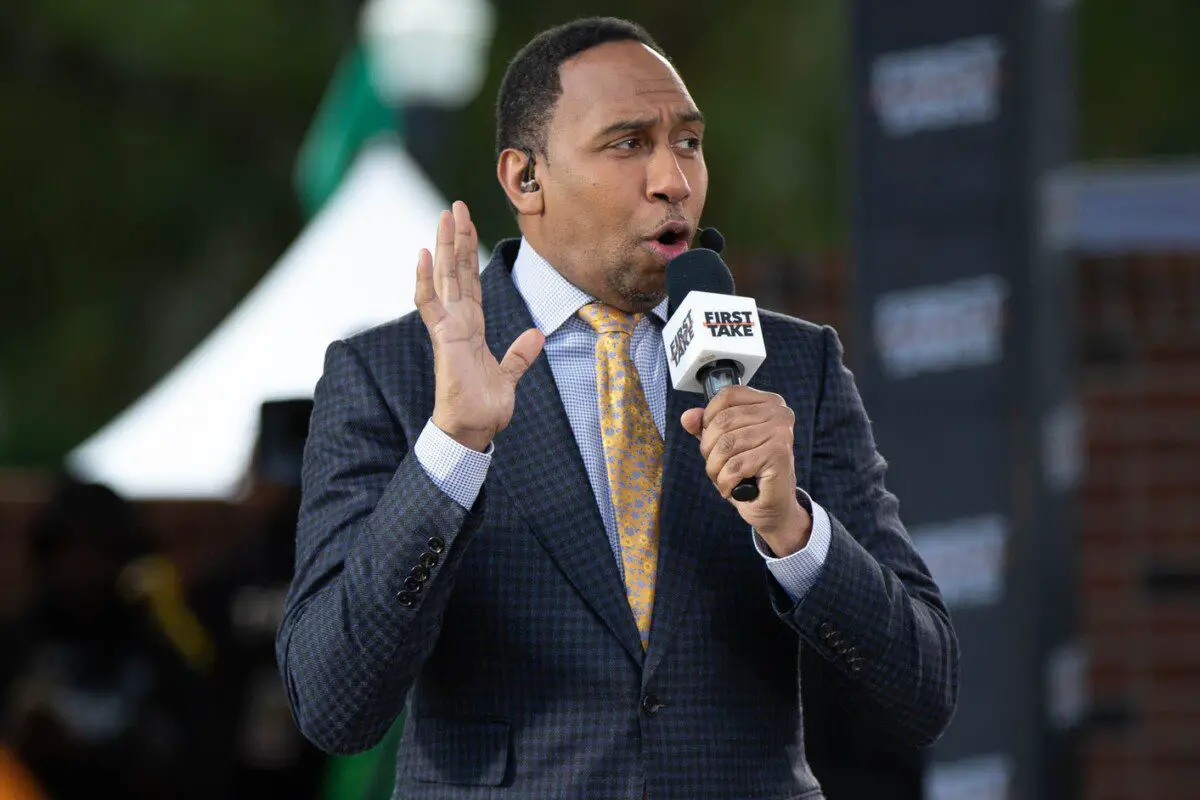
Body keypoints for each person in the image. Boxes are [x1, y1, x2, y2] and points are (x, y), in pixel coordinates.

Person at [277, 17, 958, 799]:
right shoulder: (390, 373)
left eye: (689, 143)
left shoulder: (793, 366)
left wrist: (794, 534)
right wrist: (452, 448)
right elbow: (334, 707)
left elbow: (923, 689)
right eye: (628, 143)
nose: (673, 178)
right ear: (524, 179)